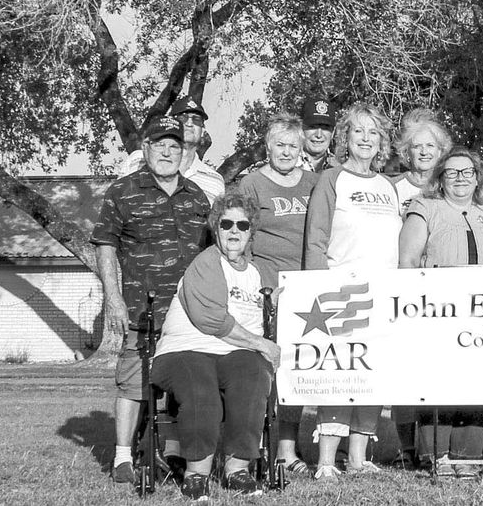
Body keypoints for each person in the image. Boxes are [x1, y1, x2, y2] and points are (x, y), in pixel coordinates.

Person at [92, 116, 211, 485]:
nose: (167, 151)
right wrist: (112, 297)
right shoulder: (123, 191)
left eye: (174, 145)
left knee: (182, 384)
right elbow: (105, 245)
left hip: (188, 313)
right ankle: (123, 458)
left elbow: (211, 253)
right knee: (132, 383)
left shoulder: (197, 195)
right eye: (160, 144)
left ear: (184, 151)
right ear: (145, 149)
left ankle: (170, 451)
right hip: (141, 308)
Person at [150, 192, 281, 500]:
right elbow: (211, 321)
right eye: (226, 224)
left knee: (253, 376)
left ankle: (238, 472)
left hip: (235, 352)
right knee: (200, 390)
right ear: (215, 228)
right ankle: (197, 475)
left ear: (251, 232)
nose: (234, 231)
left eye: (242, 225)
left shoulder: (260, 273)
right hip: (185, 347)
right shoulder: (206, 263)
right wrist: (261, 343)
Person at [303, 103, 401, 478]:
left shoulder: (387, 186)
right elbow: (316, 239)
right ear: (345, 138)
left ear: (382, 142)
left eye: (373, 132)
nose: (365, 139)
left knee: (371, 374)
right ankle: (327, 460)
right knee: (341, 374)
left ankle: (359, 457)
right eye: (358, 132)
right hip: (340, 291)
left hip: (383, 293)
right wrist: (317, 289)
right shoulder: (331, 179)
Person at [398, 148, 483, 478]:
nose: (460, 179)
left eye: (467, 172)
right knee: (438, 380)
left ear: (477, 177)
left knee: (476, 380)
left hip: (482, 311)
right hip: (436, 310)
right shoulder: (424, 208)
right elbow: (408, 261)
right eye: (452, 173)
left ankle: (467, 454)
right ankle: (436, 455)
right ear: (440, 178)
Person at [237, 113, 319, 478]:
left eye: (293, 146)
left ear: (302, 149)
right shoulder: (251, 185)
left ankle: (287, 448)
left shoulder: (317, 183)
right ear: (267, 147)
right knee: (263, 372)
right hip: (267, 290)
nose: (286, 152)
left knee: (295, 372)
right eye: (280, 145)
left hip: (308, 294)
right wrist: (253, 287)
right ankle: (252, 445)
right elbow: (240, 239)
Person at [389, 111, 454, 465]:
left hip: (440, 293)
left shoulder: (449, 186)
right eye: (417, 146)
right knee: (403, 370)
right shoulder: (393, 188)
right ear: (406, 151)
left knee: (435, 368)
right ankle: (406, 448)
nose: (424, 152)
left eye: (431, 146)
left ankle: (434, 445)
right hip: (404, 288)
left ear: (441, 151)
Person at [171, 95, 225, 203]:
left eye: (196, 120)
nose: (189, 123)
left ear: (203, 129)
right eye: (183, 118)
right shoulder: (139, 162)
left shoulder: (215, 181)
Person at [299, 93, 335, 172]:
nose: (319, 135)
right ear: (301, 129)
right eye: (313, 127)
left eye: (325, 128)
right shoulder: (286, 164)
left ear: (333, 132)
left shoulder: (340, 169)